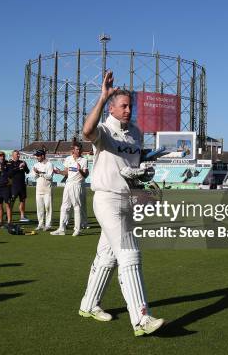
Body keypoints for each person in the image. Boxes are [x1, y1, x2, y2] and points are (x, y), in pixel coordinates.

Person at [78, 71, 164, 337]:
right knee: (130, 253)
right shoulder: (103, 130)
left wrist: (143, 183)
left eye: (130, 106)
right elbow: (86, 131)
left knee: (107, 256)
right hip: (106, 199)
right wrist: (103, 97)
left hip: (127, 200)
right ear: (112, 108)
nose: (128, 110)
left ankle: (89, 304)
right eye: (123, 106)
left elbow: (132, 169)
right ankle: (141, 319)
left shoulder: (136, 133)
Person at [51, 142, 88, 236]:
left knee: (76, 206)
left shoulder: (83, 160)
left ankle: (77, 229)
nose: (79, 151)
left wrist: (80, 170)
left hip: (76, 185)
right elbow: (66, 172)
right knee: (64, 206)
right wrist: (59, 172)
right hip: (68, 184)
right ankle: (61, 229)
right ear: (73, 150)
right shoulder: (68, 159)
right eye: (77, 149)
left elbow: (86, 175)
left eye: (80, 149)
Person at [32, 149, 54, 231]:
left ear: (43, 156)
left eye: (38, 155)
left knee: (48, 208)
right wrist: (37, 173)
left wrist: (40, 173)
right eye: (36, 155)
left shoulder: (49, 165)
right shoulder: (35, 165)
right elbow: (34, 177)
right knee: (40, 208)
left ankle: (48, 225)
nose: (37, 157)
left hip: (47, 190)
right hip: (39, 189)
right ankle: (40, 224)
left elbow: (50, 177)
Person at [8, 150, 30, 222]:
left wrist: (25, 166)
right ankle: (8, 215)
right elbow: (10, 173)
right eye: (17, 154)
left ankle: (22, 216)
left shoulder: (22, 162)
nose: (18, 155)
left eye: (18, 154)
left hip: (22, 185)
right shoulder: (10, 163)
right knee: (12, 201)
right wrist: (18, 167)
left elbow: (27, 171)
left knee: (22, 200)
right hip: (14, 185)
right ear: (13, 155)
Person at [0, 151, 13, 227]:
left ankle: (9, 222)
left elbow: (10, 174)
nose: (2, 157)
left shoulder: (8, 164)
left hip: (6, 187)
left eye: (3, 155)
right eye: (0, 155)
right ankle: (0, 222)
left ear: (4, 156)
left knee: (8, 205)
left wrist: (2, 170)